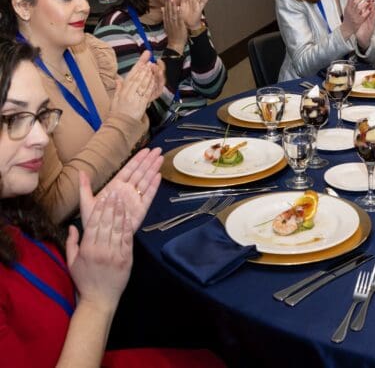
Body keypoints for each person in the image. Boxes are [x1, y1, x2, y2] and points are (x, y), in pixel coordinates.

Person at [0, 39, 224, 368]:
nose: (40, 138)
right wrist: (97, 300)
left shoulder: (17, 214)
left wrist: (95, 257)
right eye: (11, 120)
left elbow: (48, 320)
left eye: (41, 115)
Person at [0, 0, 164, 223]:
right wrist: (125, 119)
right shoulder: (18, 87)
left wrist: (140, 103)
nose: (85, 7)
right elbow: (50, 208)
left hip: (124, 199)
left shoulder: (89, 50)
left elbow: (133, 141)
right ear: (23, 6)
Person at [95, 0, 227, 128]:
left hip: (199, 123)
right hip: (156, 138)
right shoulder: (115, 28)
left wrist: (196, 28)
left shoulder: (187, 13)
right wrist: (175, 46)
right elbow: (146, 114)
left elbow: (213, 88)